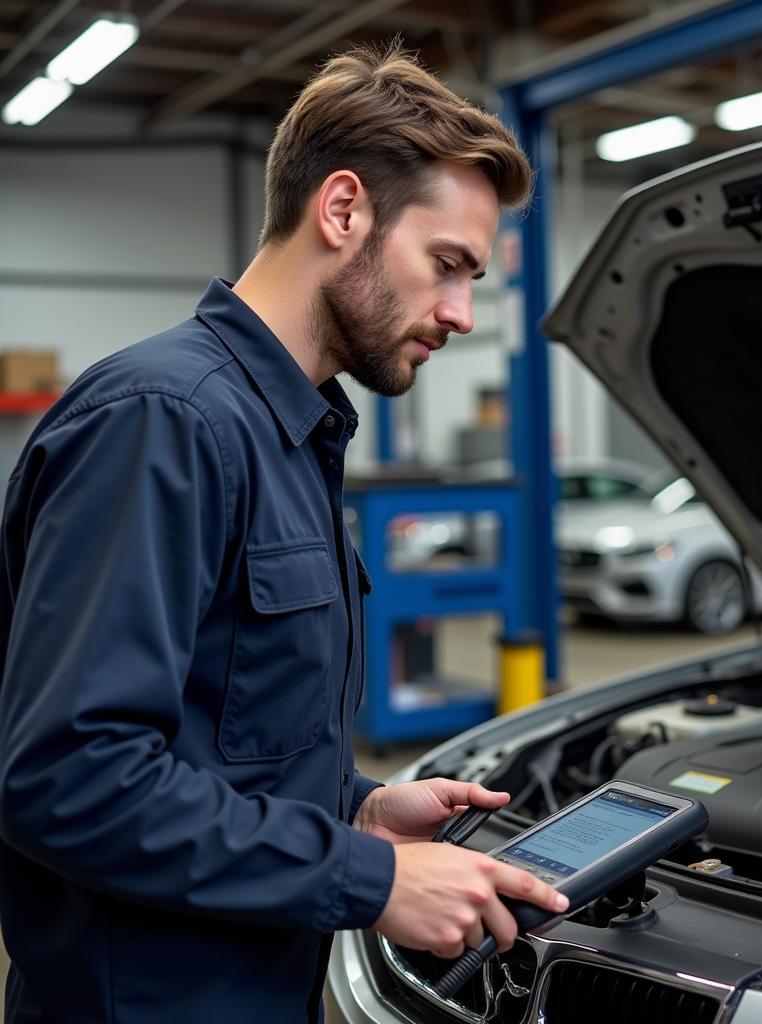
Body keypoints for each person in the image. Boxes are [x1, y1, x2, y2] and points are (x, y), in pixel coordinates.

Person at [0, 43, 566, 1024]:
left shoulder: (292, 433)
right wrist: (364, 875)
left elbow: (214, 730)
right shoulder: (164, 420)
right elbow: (68, 775)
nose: (463, 314)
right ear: (342, 210)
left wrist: (354, 805)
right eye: (447, 265)